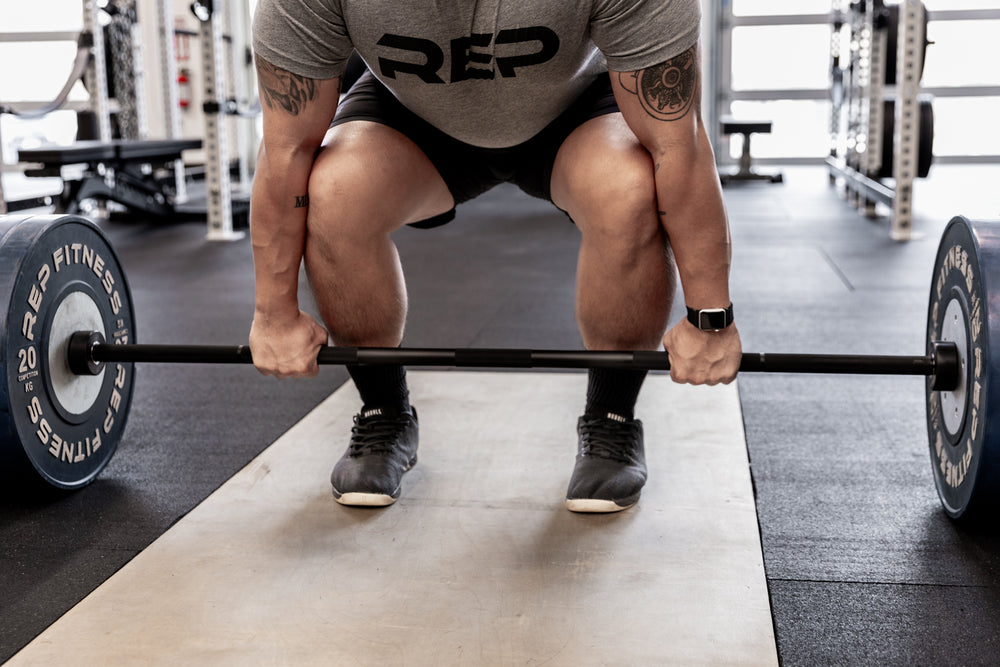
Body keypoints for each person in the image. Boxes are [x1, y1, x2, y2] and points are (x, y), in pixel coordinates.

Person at [248, 0, 742, 512]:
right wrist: (275, 314)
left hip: (573, 107)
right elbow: (286, 152)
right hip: (412, 114)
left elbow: (677, 148)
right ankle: (383, 414)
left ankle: (611, 420)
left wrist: (710, 319)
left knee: (631, 190)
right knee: (333, 194)